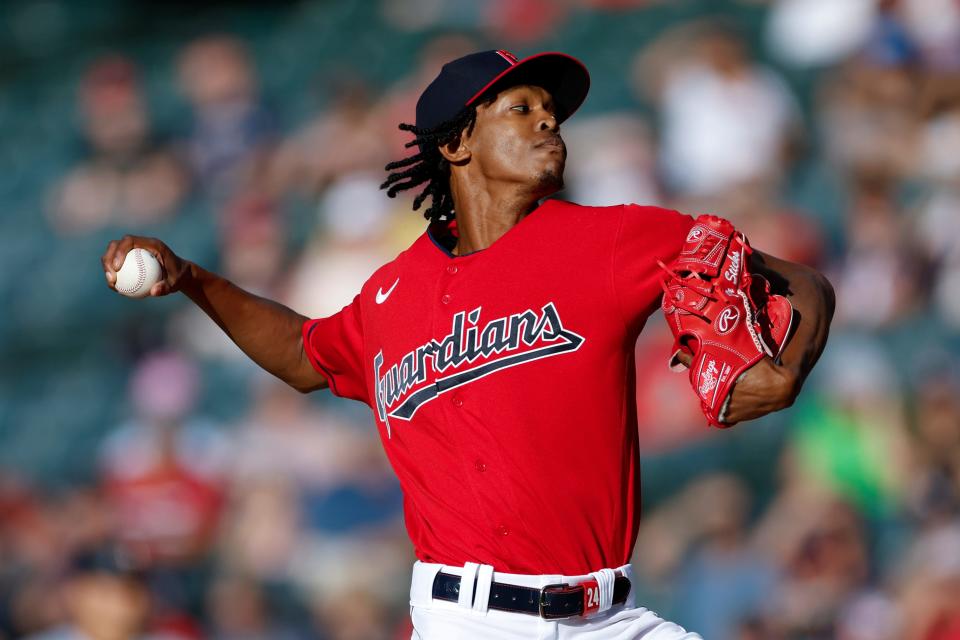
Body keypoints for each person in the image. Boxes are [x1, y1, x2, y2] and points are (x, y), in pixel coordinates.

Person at [102, 50, 835, 639]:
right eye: (521, 109)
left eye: (553, 112)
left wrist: (790, 365)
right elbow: (303, 354)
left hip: (613, 615)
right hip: (467, 618)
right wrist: (193, 278)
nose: (549, 122)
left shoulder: (613, 237)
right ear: (456, 141)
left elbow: (803, 281)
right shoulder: (393, 294)